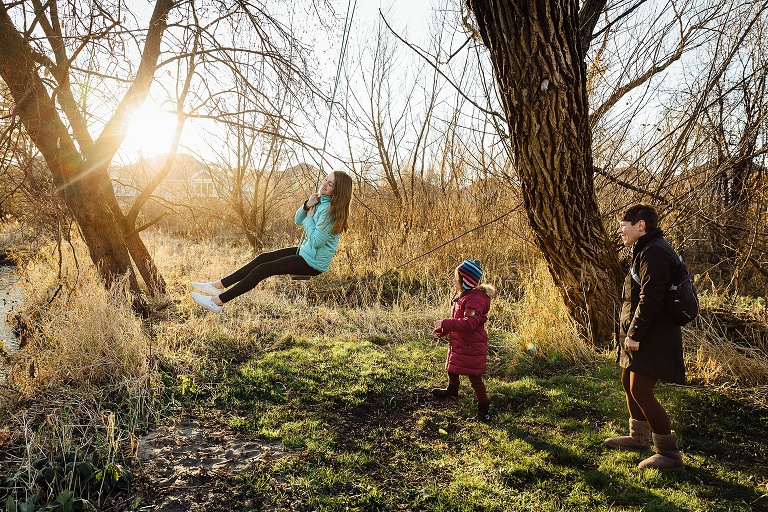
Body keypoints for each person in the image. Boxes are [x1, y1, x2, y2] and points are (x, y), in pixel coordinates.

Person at [190, 171, 353, 312]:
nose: (324, 184)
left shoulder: (331, 212)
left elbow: (317, 241)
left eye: (330, 184)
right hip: (306, 252)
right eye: (325, 179)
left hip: (312, 262)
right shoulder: (320, 202)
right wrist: (306, 206)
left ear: (337, 191)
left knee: (263, 269)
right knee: (263, 258)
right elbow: (298, 220)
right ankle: (218, 285)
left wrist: (309, 219)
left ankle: (217, 302)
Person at [604, 204, 686, 471]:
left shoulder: (656, 252)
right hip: (642, 332)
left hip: (653, 334)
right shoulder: (646, 250)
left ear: (641, 225)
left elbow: (651, 299)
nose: (619, 230)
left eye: (622, 225)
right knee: (628, 382)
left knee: (641, 390)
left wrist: (634, 335)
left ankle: (669, 455)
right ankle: (638, 437)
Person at [431, 259, 496, 423]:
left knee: (474, 377)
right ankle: (452, 389)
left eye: (457, 278)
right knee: (452, 367)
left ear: (465, 281)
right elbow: (458, 319)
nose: (454, 280)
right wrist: (444, 330)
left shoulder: (475, 299)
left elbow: (470, 323)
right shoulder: (463, 296)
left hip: (472, 344)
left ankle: (484, 409)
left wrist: (446, 323)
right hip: (460, 340)